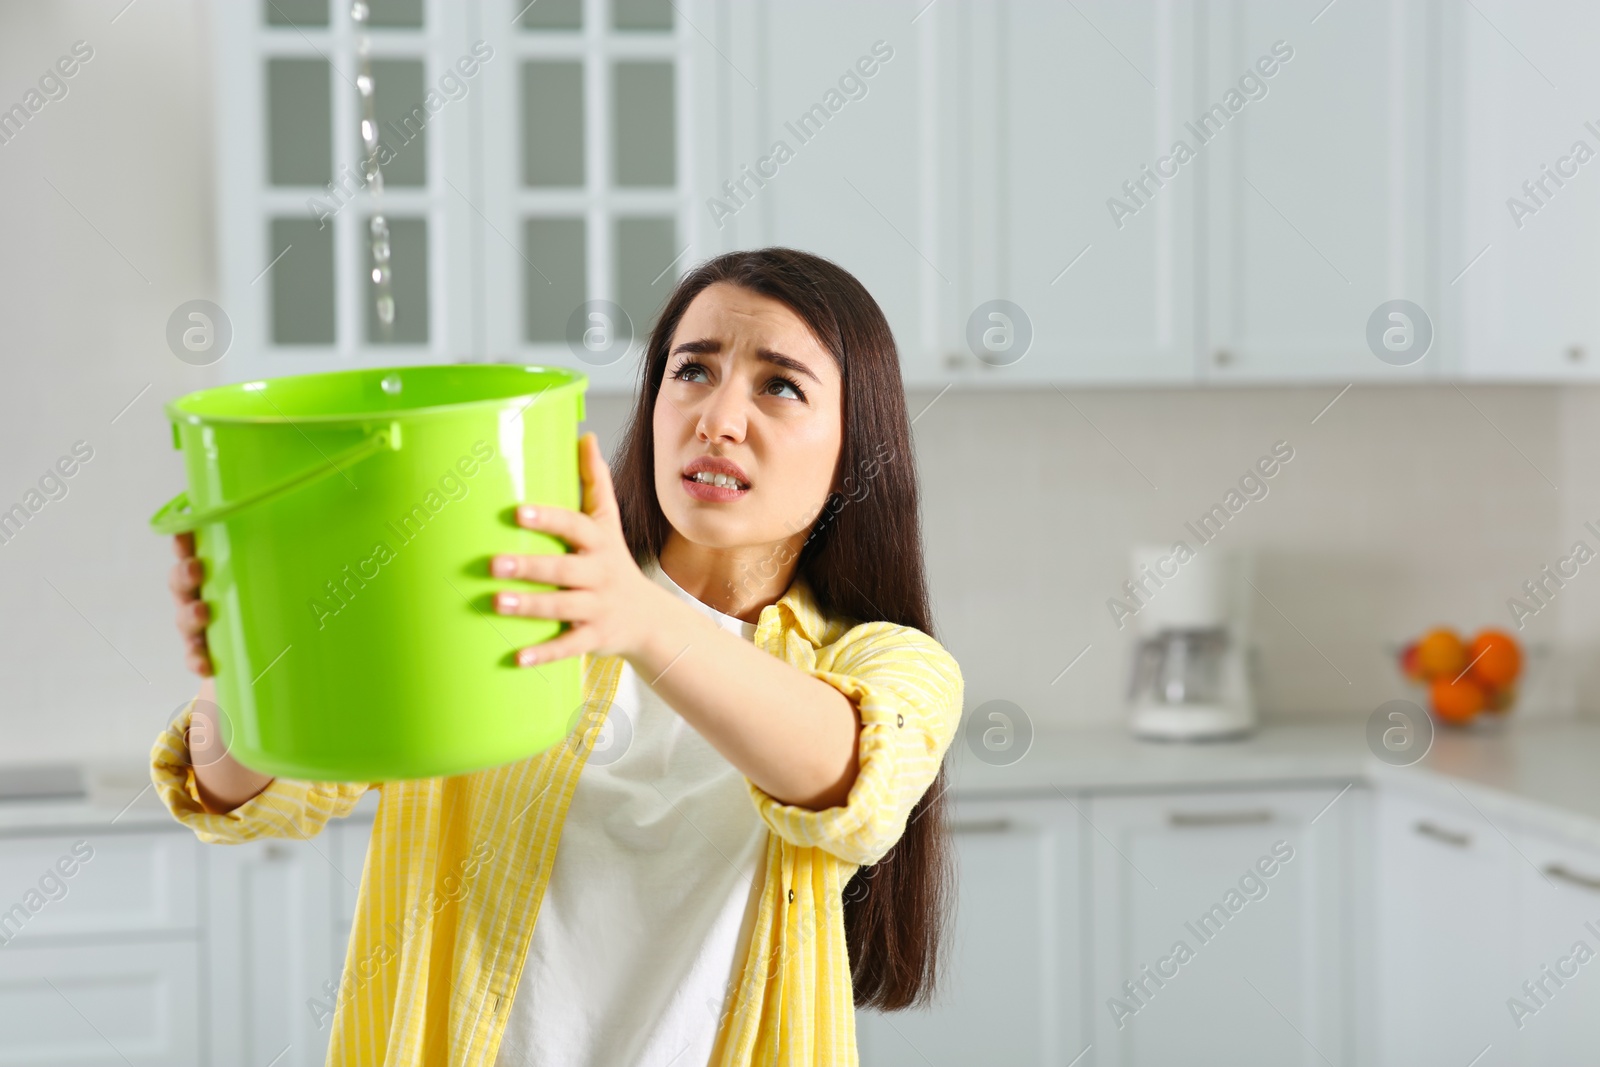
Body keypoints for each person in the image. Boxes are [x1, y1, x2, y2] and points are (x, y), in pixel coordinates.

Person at [152, 247, 965, 1065]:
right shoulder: (504, 606)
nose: (718, 417)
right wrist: (242, 666)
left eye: (780, 385)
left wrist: (636, 614)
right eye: (692, 371)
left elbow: (852, 778)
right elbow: (253, 790)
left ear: (856, 444)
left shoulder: (884, 664)